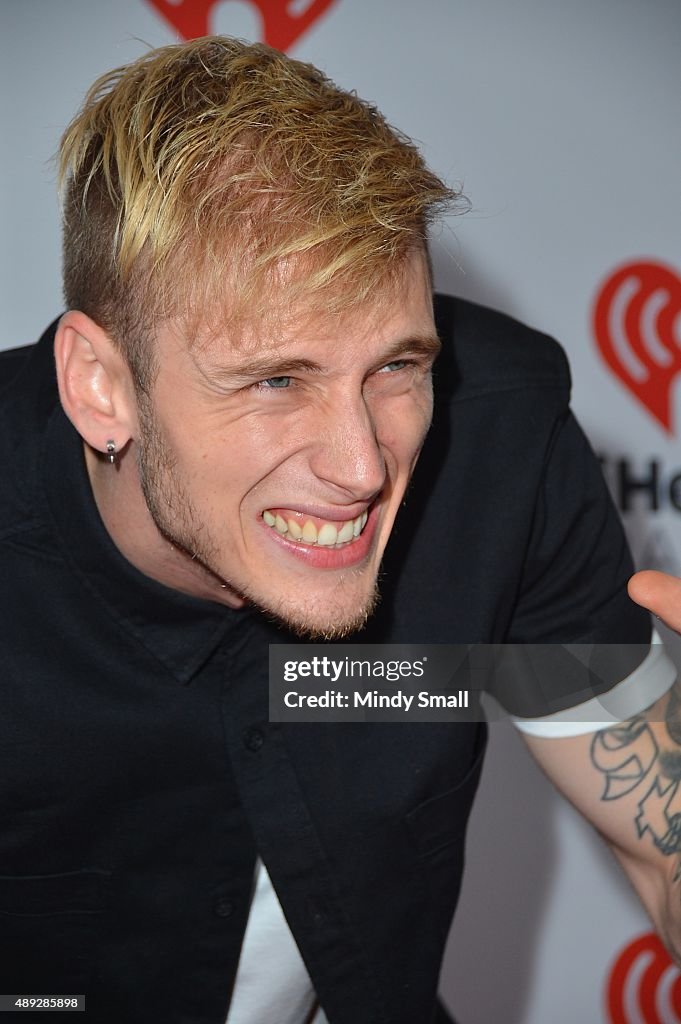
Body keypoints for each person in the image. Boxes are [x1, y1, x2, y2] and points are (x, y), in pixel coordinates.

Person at [0, 34, 678, 1024]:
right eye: (277, 380)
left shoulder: (500, 445)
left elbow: (664, 848)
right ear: (101, 388)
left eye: (398, 366)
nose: (363, 469)